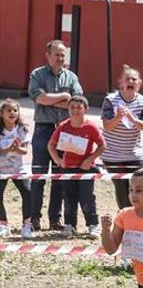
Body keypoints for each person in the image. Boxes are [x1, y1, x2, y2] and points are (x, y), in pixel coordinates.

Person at [28, 40, 83, 232]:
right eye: (57, 54)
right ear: (48, 55)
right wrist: (64, 98)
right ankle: (34, 218)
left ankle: (55, 219)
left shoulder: (71, 77)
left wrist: (52, 100)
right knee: (39, 175)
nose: (60, 58)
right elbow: (39, 98)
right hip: (44, 129)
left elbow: (77, 105)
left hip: (66, 131)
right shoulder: (37, 74)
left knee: (60, 176)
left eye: (62, 55)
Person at [47, 95, 104, 238]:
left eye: (79, 107)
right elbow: (51, 145)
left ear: (86, 109)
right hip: (68, 169)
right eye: (72, 107)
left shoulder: (91, 127)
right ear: (68, 109)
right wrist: (58, 160)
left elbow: (102, 145)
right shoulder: (63, 126)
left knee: (86, 197)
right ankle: (70, 225)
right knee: (69, 197)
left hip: (86, 169)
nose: (75, 110)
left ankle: (93, 225)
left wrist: (90, 159)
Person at [101, 65, 143, 210]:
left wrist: (134, 119)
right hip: (112, 155)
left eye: (134, 79)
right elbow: (107, 126)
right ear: (121, 83)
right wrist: (118, 117)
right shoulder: (111, 100)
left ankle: (141, 216)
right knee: (122, 189)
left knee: (142, 184)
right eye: (127, 79)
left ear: (139, 83)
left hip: (134, 153)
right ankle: (125, 220)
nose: (130, 81)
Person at [0, 99, 33, 239]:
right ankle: (3, 225)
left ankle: (27, 225)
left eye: (15, 110)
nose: (12, 113)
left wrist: (17, 148)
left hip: (18, 168)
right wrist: (6, 148)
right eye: (8, 110)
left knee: (28, 193)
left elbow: (25, 151)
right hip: (1, 169)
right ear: (1, 114)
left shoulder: (22, 129)